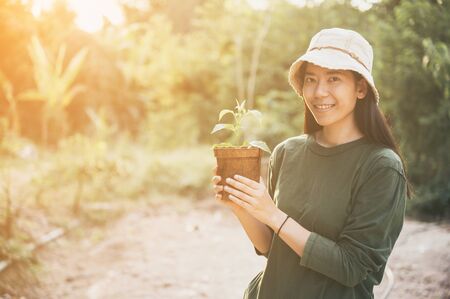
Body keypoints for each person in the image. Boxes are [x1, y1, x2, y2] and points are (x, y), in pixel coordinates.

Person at [211, 28, 413, 299]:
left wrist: (272, 213)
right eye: (311, 79)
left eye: (334, 79)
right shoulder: (287, 152)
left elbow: (351, 267)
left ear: (361, 88)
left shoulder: (381, 167)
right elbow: (274, 248)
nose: (319, 92)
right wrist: (242, 207)